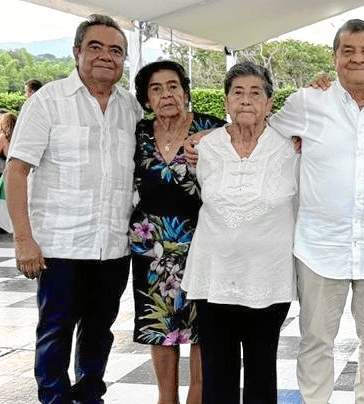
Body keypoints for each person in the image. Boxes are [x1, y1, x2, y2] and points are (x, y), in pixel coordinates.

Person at [270, 19, 364, 404]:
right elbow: (261, 135)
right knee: (316, 341)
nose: (358, 59)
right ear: (333, 58)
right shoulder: (306, 103)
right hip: (319, 248)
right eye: (348, 51)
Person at [5, 14, 142, 403]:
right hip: (59, 246)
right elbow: (16, 172)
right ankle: (53, 398)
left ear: (123, 60)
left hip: (112, 247)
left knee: (100, 329)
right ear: (77, 52)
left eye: (115, 50)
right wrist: (24, 240)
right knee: (56, 329)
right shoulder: (48, 102)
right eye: (95, 47)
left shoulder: (129, 108)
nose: (105, 57)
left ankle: (89, 394)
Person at [182, 62, 298, 404]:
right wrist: (197, 140)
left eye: (255, 93)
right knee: (218, 373)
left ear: (270, 102)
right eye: (238, 92)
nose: (246, 100)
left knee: (263, 372)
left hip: (268, 278)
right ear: (226, 101)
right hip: (213, 276)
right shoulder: (205, 147)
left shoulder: (290, 146)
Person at [129, 60, 225, 404]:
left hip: (201, 243)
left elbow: (254, 129)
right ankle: (165, 399)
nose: (166, 94)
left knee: (202, 329)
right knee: (160, 330)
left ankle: (196, 399)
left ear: (185, 92)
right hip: (150, 249)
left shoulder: (212, 128)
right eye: (156, 89)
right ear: (146, 98)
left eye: (172, 86)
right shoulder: (138, 133)